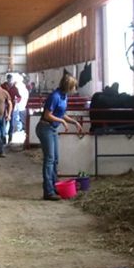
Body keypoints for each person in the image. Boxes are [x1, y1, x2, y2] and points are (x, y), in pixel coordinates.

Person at [36, 73, 83, 201]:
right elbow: (47, 115)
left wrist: (74, 122)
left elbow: (61, 113)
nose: (75, 90)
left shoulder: (64, 96)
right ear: (69, 86)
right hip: (45, 127)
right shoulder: (55, 96)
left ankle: (55, 186)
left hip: (52, 129)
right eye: (74, 87)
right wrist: (62, 121)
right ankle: (48, 191)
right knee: (49, 159)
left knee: (55, 159)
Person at [1, 73, 22, 144]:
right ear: (7, 79)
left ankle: (10, 138)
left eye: (11, 80)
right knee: (4, 123)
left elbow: (19, 97)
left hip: (11, 108)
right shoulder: (2, 86)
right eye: (8, 79)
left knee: (11, 124)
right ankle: (3, 138)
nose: (10, 81)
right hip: (3, 107)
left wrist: (17, 100)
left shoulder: (14, 88)